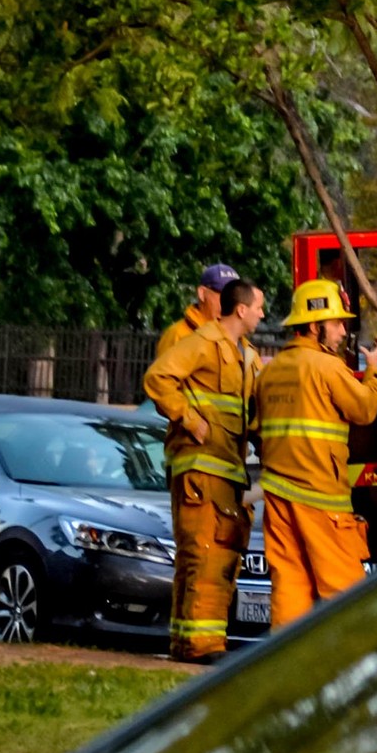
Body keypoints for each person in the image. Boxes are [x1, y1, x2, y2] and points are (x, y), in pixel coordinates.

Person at [253, 278, 377, 625]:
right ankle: (353, 664)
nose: (343, 332)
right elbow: (365, 410)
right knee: (343, 587)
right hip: (320, 497)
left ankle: (287, 662)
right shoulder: (327, 368)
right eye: (337, 323)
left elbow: (256, 428)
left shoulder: (271, 372)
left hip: (279, 495)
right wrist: (373, 370)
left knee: (290, 583)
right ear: (314, 326)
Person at [142, 268, 257, 662]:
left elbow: (248, 412)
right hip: (201, 464)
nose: (261, 316)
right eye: (257, 308)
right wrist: (191, 421)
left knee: (205, 554)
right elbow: (159, 379)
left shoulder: (242, 352)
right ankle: (200, 645)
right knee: (203, 553)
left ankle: (187, 642)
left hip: (226, 466)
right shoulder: (195, 340)